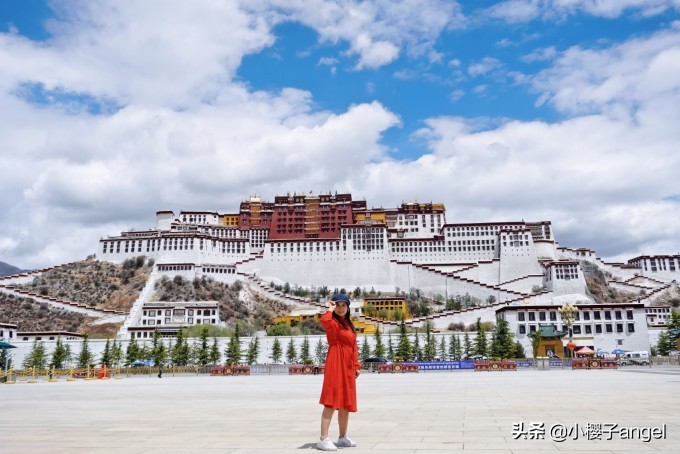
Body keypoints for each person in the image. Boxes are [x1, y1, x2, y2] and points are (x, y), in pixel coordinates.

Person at [317, 293, 360, 451]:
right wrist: (330, 309)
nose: (341, 308)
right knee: (332, 400)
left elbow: (354, 347)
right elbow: (324, 321)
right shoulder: (332, 322)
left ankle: (342, 437)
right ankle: (323, 439)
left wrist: (356, 366)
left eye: (344, 305)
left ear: (348, 307)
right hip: (336, 362)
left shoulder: (349, 325)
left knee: (345, 403)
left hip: (348, 366)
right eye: (338, 305)